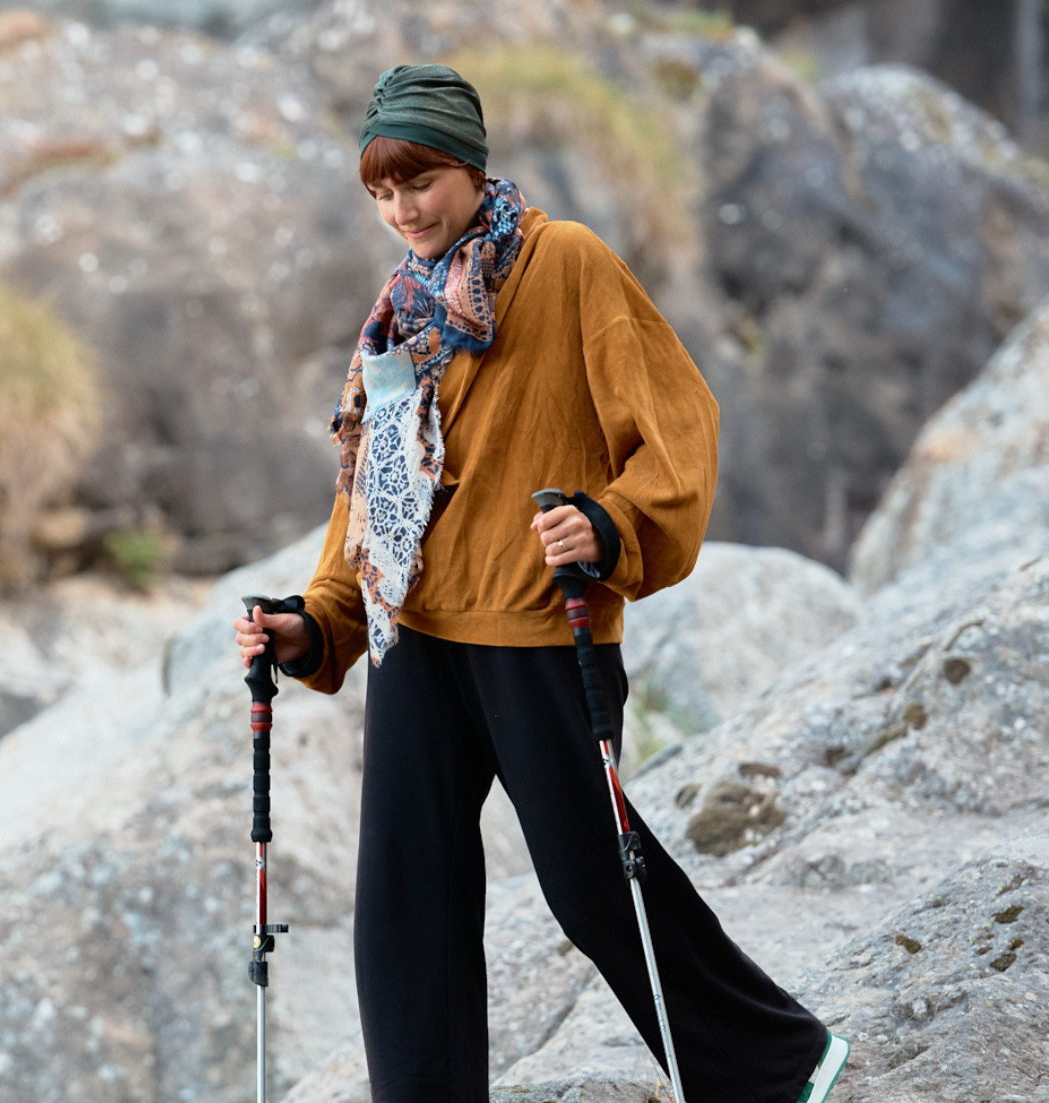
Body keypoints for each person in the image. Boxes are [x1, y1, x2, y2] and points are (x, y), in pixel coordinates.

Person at [231, 64, 849, 1103]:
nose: (403, 209)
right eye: (382, 192)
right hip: (413, 635)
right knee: (404, 899)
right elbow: (368, 510)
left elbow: (678, 426)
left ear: (468, 165)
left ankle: (775, 1065)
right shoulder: (393, 319)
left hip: (535, 624)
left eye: (419, 180)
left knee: (590, 881)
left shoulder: (564, 264)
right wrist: (311, 622)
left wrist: (609, 521)